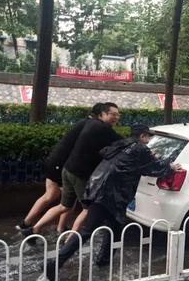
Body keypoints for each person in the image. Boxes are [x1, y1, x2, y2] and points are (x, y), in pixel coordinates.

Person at [41, 124, 181, 281]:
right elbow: (154, 167)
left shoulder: (123, 144)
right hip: (109, 195)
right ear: (143, 136)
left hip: (99, 188)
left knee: (115, 227)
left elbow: (131, 163)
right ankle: (54, 263)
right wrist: (170, 166)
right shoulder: (139, 149)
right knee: (88, 230)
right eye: (148, 138)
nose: (149, 141)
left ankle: (103, 261)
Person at [20, 102, 122, 243]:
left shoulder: (88, 123)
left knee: (66, 204)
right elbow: (122, 143)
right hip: (68, 168)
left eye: (118, 115)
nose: (116, 118)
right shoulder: (100, 127)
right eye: (113, 114)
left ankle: (39, 229)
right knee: (84, 208)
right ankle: (68, 241)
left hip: (67, 168)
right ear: (101, 114)